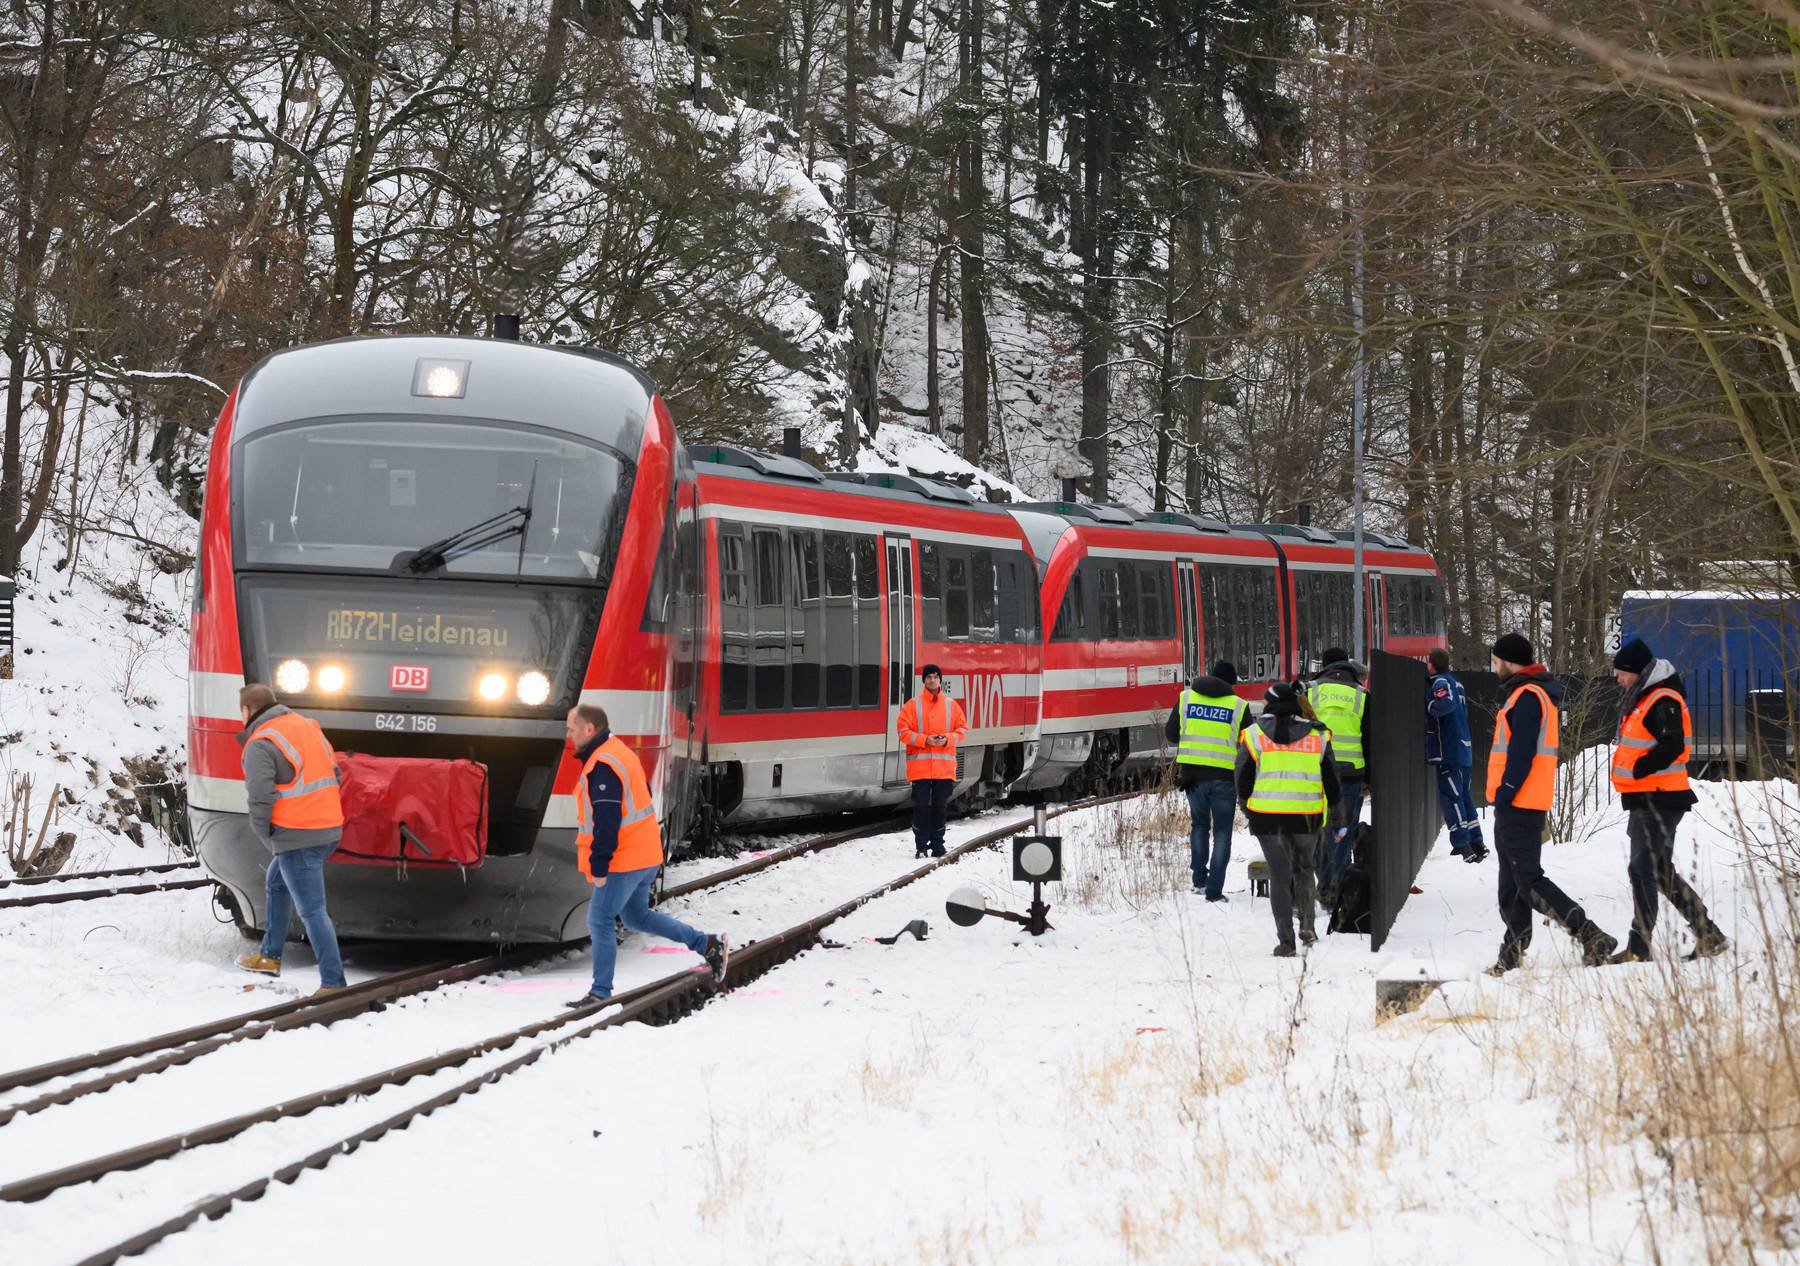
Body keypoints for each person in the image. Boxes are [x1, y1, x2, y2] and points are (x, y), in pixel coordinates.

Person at [565, 704, 728, 1006]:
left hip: (624, 859)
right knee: (636, 916)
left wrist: (599, 864)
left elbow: (608, 820)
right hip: (645, 853)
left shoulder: (602, 765)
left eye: (572, 728)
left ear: (589, 729)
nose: (569, 735)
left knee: (599, 919)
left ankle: (600, 992)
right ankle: (706, 943)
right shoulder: (620, 752)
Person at [1485, 633, 1617, 974]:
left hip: (1520, 802)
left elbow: (1522, 752)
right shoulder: (1526, 695)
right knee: (1512, 887)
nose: (1494, 666)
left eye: (1496, 660)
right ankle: (1510, 957)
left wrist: (1507, 791)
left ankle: (1591, 935)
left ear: (1509, 662)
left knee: (1527, 882)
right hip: (1518, 802)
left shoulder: (1528, 697)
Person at [1607, 639, 1728, 963]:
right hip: (1648, 797)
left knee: (1642, 868)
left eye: (1621, 673)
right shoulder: (1646, 697)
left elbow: (1673, 744)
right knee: (1659, 871)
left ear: (1636, 672)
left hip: (1658, 797)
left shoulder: (1662, 699)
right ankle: (1709, 934)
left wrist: (1639, 768)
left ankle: (1639, 947)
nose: (1617, 678)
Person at [233, 683, 348, 995]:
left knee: (312, 910)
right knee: (276, 882)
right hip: (328, 828)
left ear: (247, 711)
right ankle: (269, 956)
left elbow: (260, 798)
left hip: (298, 835)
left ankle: (333, 983)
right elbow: (335, 774)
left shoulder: (260, 743)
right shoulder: (306, 727)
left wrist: (266, 832)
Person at [1236, 682, 1343, 957]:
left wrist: (1247, 808)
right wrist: (1337, 815)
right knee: (1304, 872)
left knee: (1279, 877)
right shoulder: (1318, 736)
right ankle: (1307, 928)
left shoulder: (1254, 734)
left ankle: (1286, 942)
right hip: (1306, 817)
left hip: (1267, 818)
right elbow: (1332, 780)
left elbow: (1242, 778)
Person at [1164, 661, 1249, 901]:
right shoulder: (1239, 705)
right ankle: (1214, 891)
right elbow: (1249, 745)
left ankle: (1199, 880)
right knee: (1222, 833)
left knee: (1199, 826)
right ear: (1230, 683)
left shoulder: (1186, 698)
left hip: (1192, 776)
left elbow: (1171, 734)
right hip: (1224, 777)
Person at [1307, 647, 1368, 891]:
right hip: (1351, 773)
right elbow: (1369, 740)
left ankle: (1325, 883)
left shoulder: (1309, 691)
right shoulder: (1362, 695)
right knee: (1343, 831)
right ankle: (1336, 886)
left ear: (1324, 665)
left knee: (1316, 829)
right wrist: (1369, 779)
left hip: (1314, 772)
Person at [897, 663, 968, 858]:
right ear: (924, 680)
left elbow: (962, 730)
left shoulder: (951, 705)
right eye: (929, 676)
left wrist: (946, 739)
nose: (932, 680)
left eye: (936, 676)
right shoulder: (912, 705)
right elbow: (902, 731)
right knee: (920, 806)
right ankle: (921, 844)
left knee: (939, 808)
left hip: (943, 769)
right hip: (920, 769)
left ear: (940, 679)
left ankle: (938, 844)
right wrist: (924, 739)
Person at [1426, 648, 1487, 863]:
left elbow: (1445, 704)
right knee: (1464, 796)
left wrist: (1430, 704)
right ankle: (1477, 841)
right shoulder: (1457, 682)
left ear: (1431, 664)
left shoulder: (1440, 682)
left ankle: (1463, 845)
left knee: (1451, 798)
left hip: (1449, 752)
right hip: (1464, 748)